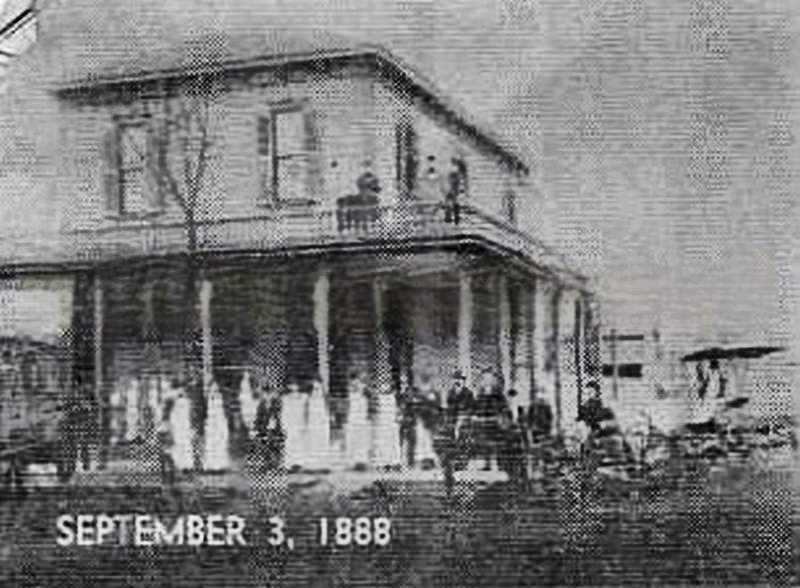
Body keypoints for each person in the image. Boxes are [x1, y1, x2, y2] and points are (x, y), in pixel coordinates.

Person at [472, 369, 511, 471]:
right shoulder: (480, 396)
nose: (488, 381)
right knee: (484, 445)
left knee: (499, 445)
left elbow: (504, 409)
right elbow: (476, 409)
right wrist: (475, 417)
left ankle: (501, 464)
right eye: (485, 378)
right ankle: (486, 463)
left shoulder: (499, 396)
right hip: (483, 423)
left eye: (490, 378)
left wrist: (503, 418)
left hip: (496, 424)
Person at [345, 370, 372, 469]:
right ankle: (352, 462)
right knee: (352, 441)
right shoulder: (351, 391)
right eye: (352, 381)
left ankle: (361, 462)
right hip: (352, 419)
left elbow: (370, 395)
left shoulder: (364, 390)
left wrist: (363, 387)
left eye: (356, 380)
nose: (354, 383)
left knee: (361, 441)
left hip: (361, 419)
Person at [305, 376, 332, 472]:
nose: (316, 388)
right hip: (312, 423)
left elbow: (328, 409)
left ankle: (324, 466)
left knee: (322, 445)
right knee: (313, 445)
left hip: (322, 423)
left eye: (318, 385)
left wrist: (327, 418)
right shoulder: (309, 397)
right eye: (314, 386)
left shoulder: (325, 396)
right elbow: (307, 412)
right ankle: (312, 466)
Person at [203, 379, 231, 471]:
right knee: (211, 444)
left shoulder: (220, 399)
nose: (214, 389)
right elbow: (208, 412)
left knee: (219, 443)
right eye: (212, 388)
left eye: (216, 387)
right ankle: (211, 465)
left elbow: (222, 413)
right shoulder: (209, 400)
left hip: (219, 422)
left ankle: (219, 465)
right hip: (212, 424)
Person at [254, 382, 283, 470]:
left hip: (270, 424)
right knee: (266, 443)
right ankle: (270, 463)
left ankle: (273, 463)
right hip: (267, 424)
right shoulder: (265, 398)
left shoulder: (271, 397)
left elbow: (275, 412)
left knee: (271, 443)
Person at [281, 380, 308, 471]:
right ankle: (288, 464)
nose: (293, 387)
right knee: (288, 443)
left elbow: (306, 412)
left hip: (299, 423)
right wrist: (283, 424)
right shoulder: (285, 398)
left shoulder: (304, 397)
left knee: (299, 443)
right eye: (291, 385)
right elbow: (283, 412)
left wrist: (304, 423)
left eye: (295, 385)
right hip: (289, 424)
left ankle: (298, 463)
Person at [168, 379, 194, 472]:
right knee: (180, 443)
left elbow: (189, 413)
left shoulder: (185, 399)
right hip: (178, 423)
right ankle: (180, 464)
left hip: (183, 423)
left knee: (184, 443)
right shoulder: (174, 396)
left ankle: (185, 464)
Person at [444, 157, 467, 224]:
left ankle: (450, 217)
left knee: (450, 201)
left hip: (452, 187)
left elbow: (449, 179)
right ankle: (455, 217)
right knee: (454, 202)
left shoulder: (452, 169)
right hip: (454, 188)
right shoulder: (456, 170)